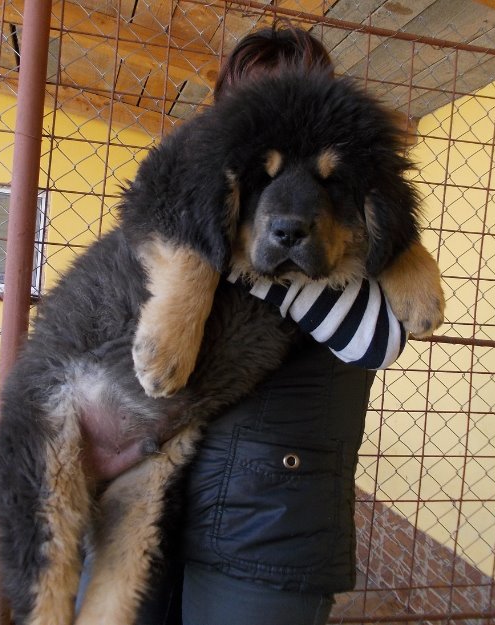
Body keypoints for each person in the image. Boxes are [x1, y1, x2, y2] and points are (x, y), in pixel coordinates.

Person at [130, 24, 407, 625]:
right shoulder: (191, 196)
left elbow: (379, 338)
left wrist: (221, 260)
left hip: (271, 517)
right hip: (148, 495)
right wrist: (198, 253)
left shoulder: (350, 199)